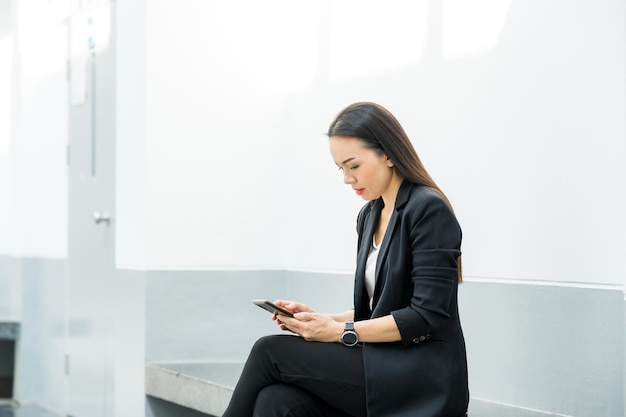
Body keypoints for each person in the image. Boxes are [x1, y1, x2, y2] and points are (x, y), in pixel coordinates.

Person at [222, 102, 469, 417]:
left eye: (353, 165)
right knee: (276, 400)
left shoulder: (428, 209)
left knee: (268, 351)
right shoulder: (370, 215)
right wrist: (322, 319)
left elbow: (425, 316)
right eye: (341, 168)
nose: (347, 179)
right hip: (379, 362)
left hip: (419, 377)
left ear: (389, 154)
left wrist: (339, 331)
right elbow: (379, 308)